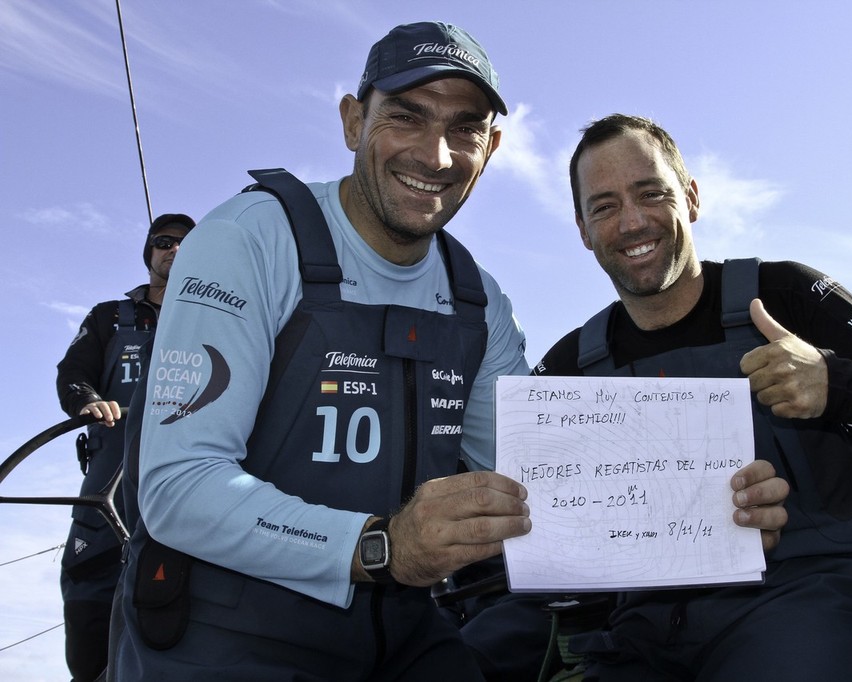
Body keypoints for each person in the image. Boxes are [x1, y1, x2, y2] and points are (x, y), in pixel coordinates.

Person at [108, 25, 787, 681]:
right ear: (352, 122)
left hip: (398, 630)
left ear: (490, 149)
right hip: (223, 634)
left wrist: (704, 516)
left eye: (464, 128)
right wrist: (382, 545)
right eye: (406, 116)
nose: (435, 155)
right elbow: (175, 490)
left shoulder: (477, 299)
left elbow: (548, 487)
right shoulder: (249, 239)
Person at [529, 114, 852, 681]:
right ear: (583, 228)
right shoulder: (568, 368)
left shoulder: (788, 296)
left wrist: (835, 386)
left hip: (799, 602)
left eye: (651, 193)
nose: (633, 221)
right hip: (638, 630)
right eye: (605, 206)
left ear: (691, 197)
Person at [55, 212, 194, 682]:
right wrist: (89, 400)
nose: (173, 249)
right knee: (88, 594)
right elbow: (72, 375)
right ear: (149, 253)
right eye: (163, 242)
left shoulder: (215, 319)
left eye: (183, 243)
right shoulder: (109, 318)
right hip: (107, 485)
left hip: (188, 484)